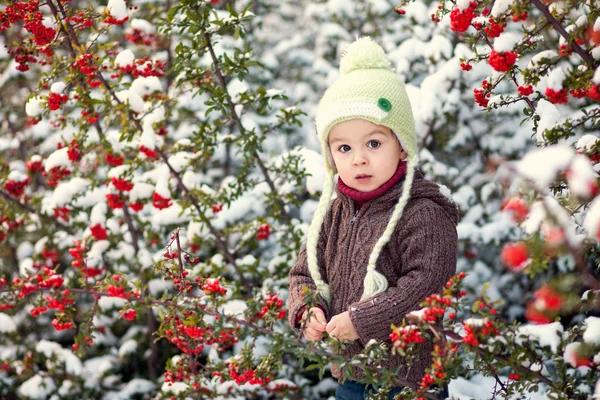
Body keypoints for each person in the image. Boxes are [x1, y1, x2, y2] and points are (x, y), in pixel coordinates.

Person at [287, 37, 459, 400]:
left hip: (410, 379)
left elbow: (427, 284)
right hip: (351, 375)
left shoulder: (422, 213)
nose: (358, 159)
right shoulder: (334, 212)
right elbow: (304, 272)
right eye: (344, 147)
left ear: (401, 145)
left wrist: (364, 320)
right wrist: (308, 308)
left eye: (374, 143)